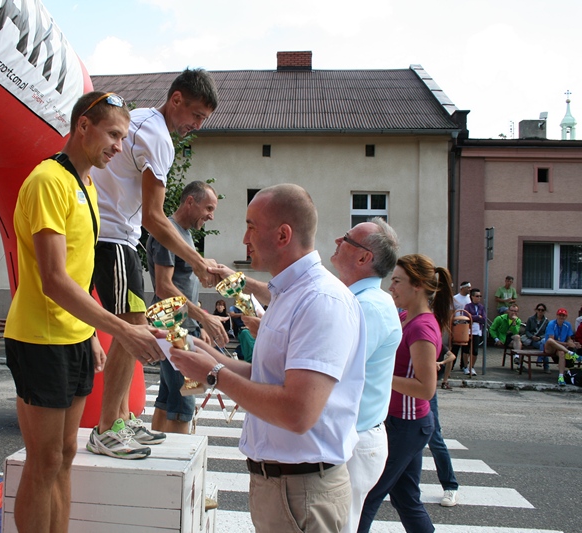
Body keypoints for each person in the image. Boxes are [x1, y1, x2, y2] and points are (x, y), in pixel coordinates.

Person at [2, 91, 164, 533]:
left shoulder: (87, 184)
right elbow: (54, 279)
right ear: (83, 126)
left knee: (66, 455)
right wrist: (122, 330)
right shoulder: (47, 181)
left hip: (74, 336)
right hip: (39, 338)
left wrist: (91, 333)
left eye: (123, 137)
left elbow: (80, 270)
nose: (119, 146)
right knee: (44, 460)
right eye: (113, 135)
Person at [171, 184, 366, 533]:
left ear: (283, 235)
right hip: (284, 486)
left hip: (303, 489)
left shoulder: (320, 300)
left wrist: (214, 373)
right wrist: (197, 351)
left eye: (251, 226)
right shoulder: (289, 294)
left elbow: (297, 411)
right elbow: (264, 375)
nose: (244, 239)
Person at [89, 68, 221, 459]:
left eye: (203, 120)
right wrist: (197, 261)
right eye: (195, 115)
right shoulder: (159, 136)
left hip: (112, 235)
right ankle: (107, 427)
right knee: (132, 331)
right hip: (113, 237)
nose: (196, 126)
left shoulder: (142, 119)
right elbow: (153, 217)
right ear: (176, 99)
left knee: (134, 330)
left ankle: (120, 418)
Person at [359, 253, 454, 533]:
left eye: (397, 281)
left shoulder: (422, 327)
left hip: (408, 424)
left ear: (418, 285)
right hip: (399, 421)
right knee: (406, 499)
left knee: (368, 497)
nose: (391, 287)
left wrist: (380, 377)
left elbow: (426, 388)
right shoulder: (403, 317)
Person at [330, 218, 402, 533]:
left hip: (354, 440)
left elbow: (331, 367)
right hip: (351, 436)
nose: (337, 240)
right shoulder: (358, 300)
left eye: (346, 238)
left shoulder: (368, 306)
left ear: (363, 257)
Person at [146, 181, 222, 435]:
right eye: (208, 208)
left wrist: (199, 323)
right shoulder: (169, 232)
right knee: (185, 398)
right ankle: (178, 457)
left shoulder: (183, 233)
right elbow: (164, 287)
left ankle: (158, 451)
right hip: (172, 326)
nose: (211, 216)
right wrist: (204, 318)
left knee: (168, 396)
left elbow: (183, 285)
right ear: (190, 201)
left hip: (179, 325)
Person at [429, 345, 460, 507]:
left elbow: (451, 356)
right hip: (404, 391)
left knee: (435, 439)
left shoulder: (428, 336)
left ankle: (450, 486)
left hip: (426, 388)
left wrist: (439, 362)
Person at [541, 308, 581, 386]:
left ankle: (561, 377)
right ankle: (570, 353)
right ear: (557, 315)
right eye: (560, 315)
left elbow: (569, 338)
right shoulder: (551, 324)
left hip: (561, 348)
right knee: (549, 340)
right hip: (550, 347)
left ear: (566, 316)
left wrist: (572, 343)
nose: (561, 317)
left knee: (562, 353)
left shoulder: (567, 325)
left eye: (563, 315)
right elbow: (552, 339)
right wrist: (566, 344)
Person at [489, 304, 523, 375]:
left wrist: (514, 323)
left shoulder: (518, 320)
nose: (513, 313)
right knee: (519, 345)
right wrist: (496, 339)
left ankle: (516, 357)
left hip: (511, 337)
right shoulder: (500, 318)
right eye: (512, 311)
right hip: (501, 337)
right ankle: (519, 364)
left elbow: (516, 332)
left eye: (515, 311)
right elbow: (492, 329)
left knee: (517, 337)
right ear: (508, 311)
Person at [463, 289, 486, 374]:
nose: (479, 298)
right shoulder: (468, 306)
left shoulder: (481, 307)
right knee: (466, 349)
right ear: (472, 297)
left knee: (475, 350)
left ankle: (472, 367)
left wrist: (474, 317)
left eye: (480, 296)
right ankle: (465, 366)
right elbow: (467, 317)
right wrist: (477, 317)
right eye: (477, 296)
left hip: (477, 330)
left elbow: (483, 319)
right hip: (468, 330)